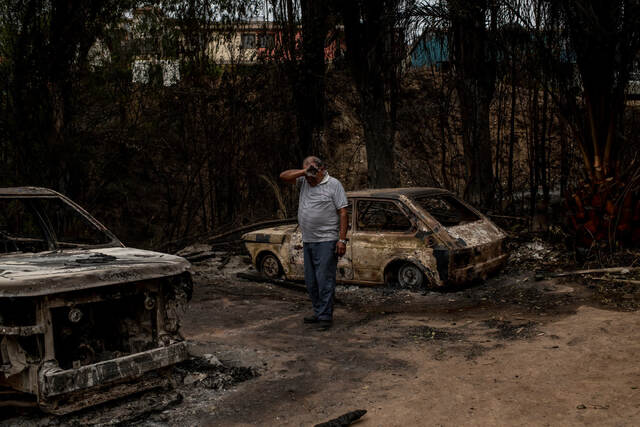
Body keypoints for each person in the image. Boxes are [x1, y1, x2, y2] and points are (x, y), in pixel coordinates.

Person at [280, 156, 348, 330]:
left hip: (327, 240)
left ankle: (325, 316)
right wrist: (304, 171)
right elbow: (283, 176)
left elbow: (343, 213)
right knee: (311, 281)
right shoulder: (303, 180)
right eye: (306, 172)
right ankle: (319, 312)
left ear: (322, 170)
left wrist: (341, 239)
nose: (309, 177)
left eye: (312, 172)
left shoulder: (333, 184)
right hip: (308, 239)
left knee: (324, 279)